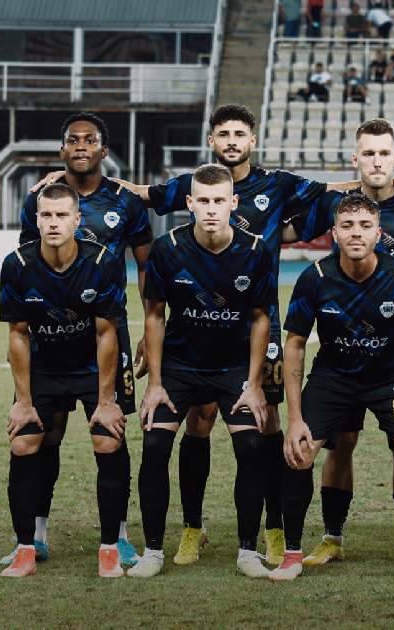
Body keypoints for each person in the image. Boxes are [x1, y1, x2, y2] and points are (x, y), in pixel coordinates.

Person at [30, 103, 394, 569]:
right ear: (211, 142)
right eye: (223, 134)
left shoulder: (277, 183)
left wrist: (387, 183)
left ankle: (273, 530)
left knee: (267, 426)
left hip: (258, 327)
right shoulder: (194, 184)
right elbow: (144, 194)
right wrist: (67, 179)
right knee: (197, 423)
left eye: (239, 133)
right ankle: (192, 529)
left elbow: (332, 190)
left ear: (251, 140)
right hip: (194, 339)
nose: (232, 141)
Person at [289, 118, 394, 567]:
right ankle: (332, 537)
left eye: (385, 154)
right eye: (369, 154)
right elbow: (285, 229)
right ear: (356, 158)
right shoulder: (333, 204)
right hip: (340, 351)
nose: (377, 162)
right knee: (339, 444)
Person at [0, 112, 148, 569]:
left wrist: (150, 327)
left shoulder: (125, 200)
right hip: (48, 339)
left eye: (90, 140)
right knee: (42, 436)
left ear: (104, 149)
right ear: (62, 149)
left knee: (110, 433)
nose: (81, 146)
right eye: (72, 140)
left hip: (106, 331)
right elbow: (31, 263)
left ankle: (118, 537)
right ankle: (34, 536)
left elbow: (146, 265)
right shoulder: (40, 200)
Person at [271, 192, 394, 583]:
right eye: (347, 226)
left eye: (365, 226)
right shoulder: (315, 278)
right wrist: (294, 418)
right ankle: (294, 554)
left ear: (379, 234)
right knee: (299, 451)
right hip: (333, 377)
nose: (356, 233)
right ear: (334, 233)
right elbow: (294, 345)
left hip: (390, 376)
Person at [126, 164, 278, 579]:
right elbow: (154, 315)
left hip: (233, 368)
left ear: (233, 203)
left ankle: (248, 551)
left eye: (219, 201)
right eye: (204, 201)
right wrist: (156, 384)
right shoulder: (167, 249)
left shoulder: (255, 251)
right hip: (179, 367)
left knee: (251, 447)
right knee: (155, 445)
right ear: (190, 204)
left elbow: (261, 318)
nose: (211, 209)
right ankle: (153, 551)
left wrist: (254, 384)